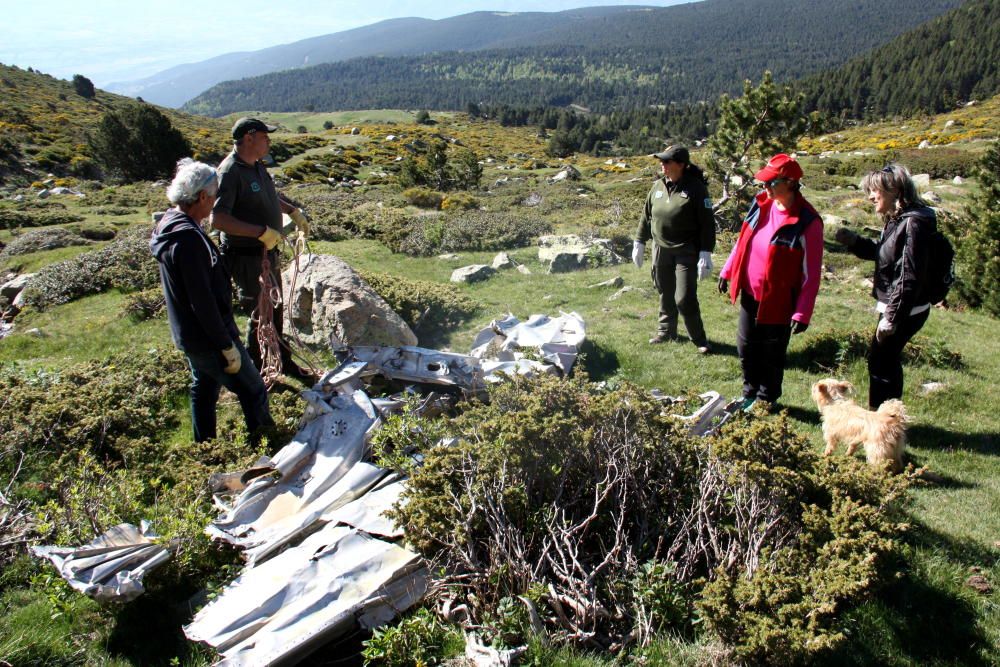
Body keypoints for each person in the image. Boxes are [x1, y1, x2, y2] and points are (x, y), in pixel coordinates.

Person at [151, 158, 273, 442]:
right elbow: (201, 301)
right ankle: (268, 442)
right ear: (202, 196)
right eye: (215, 195)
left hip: (190, 334)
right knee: (252, 388)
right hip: (209, 336)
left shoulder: (170, 224)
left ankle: (204, 445)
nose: (216, 202)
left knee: (203, 386)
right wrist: (225, 344)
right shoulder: (189, 241)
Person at [210, 117, 313, 382]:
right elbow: (218, 219)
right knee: (260, 312)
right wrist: (261, 233)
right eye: (265, 136)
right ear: (249, 138)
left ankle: (282, 361)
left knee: (274, 308)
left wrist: (292, 210)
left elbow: (267, 195)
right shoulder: (230, 172)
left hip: (266, 253)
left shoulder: (255, 166)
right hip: (247, 257)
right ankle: (255, 370)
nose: (269, 140)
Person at [718, 153, 823, 411]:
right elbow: (744, 241)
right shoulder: (761, 204)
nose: (765, 188)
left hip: (779, 301)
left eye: (771, 183)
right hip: (750, 293)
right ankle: (749, 393)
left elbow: (812, 274)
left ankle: (766, 399)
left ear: (790, 182)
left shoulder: (808, 222)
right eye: (764, 183)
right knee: (745, 346)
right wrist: (728, 270)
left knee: (772, 353)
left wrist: (802, 312)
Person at [835, 164, 935, 409]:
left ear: (894, 189)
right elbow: (886, 255)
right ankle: (886, 419)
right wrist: (856, 242)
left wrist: (892, 317)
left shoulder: (913, 223)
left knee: (882, 363)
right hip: (899, 305)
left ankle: (883, 423)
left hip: (904, 308)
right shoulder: (899, 218)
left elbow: (909, 275)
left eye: (874, 190)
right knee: (883, 361)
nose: (870, 196)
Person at [633, 145, 716, 353]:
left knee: (684, 297)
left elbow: (707, 223)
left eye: (667, 161)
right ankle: (666, 331)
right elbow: (646, 216)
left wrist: (706, 252)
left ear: (680, 165)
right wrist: (639, 242)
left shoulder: (696, 188)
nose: (662, 164)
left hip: (686, 250)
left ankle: (699, 339)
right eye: (661, 161)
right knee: (664, 290)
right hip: (660, 248)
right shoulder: (657, 186)